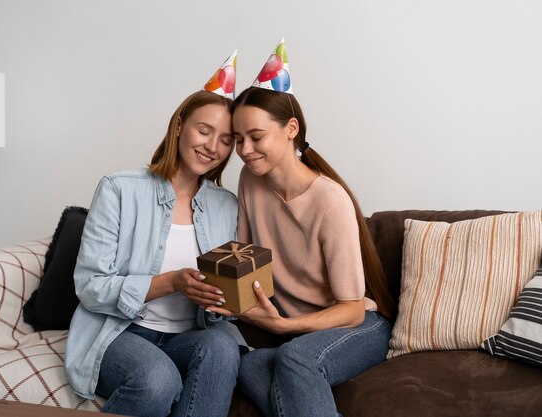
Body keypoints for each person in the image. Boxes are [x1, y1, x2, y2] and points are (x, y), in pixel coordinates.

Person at [207, 40, 395, 417]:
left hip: (358, 326)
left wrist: (284, 325)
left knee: (294, 358)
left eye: (256, 137)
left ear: (291, 129)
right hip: (302, 330)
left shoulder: (329, 200)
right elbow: (248, 262)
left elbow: (352, 310)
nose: (244, 150)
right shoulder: (249, 180)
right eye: (239, 139)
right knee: (249, 366)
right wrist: (225, 301)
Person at [65, 51, 246, 417]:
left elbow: (222, 305)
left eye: (226, 140)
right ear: (179, 125)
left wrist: (224, 302)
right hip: (121, 332)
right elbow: (90, 286)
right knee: (158, 378)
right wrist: (172, 282)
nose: (212, 147)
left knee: (224, 348)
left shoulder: (226, 205)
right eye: (203, 130)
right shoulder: (119, 188)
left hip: (190, 336)